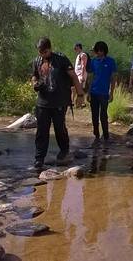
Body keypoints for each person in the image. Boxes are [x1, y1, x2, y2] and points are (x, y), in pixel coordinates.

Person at [32, 37, 84, 169]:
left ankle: (64, 151)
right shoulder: (37, 60)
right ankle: (39, 158)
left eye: (44, 51)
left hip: (59, 102)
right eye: (39, 52)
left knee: (59, 128)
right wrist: (35, 83)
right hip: (42, 102)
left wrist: (80, 95)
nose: (41, 54)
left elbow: (74, 76)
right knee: (41, 131)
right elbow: (34, 76)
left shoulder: (61, 59)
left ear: (50, 49)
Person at [86, 41, 117, 146]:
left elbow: (113, 79)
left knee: (103, 115)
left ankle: (106, 136)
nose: (99, 52)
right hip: (94, 92)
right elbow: (90, 78)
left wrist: (112, 92)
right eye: (97, 50)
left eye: (101, 50)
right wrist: (88, 92)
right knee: (94, 115)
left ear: (104, 51)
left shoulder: (111, 61)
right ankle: (97, 136)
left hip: (104, 93)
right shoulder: (93, 62)